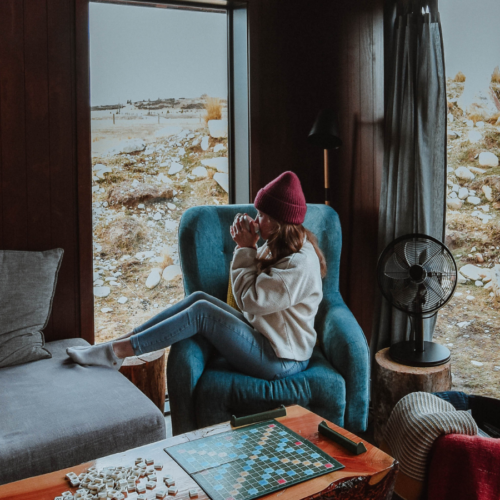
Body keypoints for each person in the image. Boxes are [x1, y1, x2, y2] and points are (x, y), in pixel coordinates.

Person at [67, 171, 327, 381]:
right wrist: (251, 246)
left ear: (280, 223)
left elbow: (248, 299)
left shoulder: (298, 265)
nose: (257, 221)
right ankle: (118, 343)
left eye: (263, 216)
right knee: (199, 298)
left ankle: (115, 352)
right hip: (268, 339)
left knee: (202, 312)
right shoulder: (279, 244)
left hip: (282, 360)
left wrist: (245, 248)